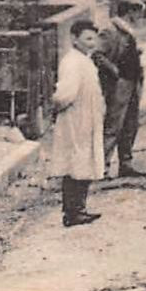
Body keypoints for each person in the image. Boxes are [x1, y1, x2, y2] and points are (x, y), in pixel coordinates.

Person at [50, 19, 105, 228]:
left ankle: (79, 208)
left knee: (84, 161)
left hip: (85, 117)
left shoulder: (84, 60)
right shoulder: (72, 62)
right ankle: (72, 212)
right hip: (76, 119)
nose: (92, 43)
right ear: (74, 39)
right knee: (76, 163)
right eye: (87, 38)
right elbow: (65, 94)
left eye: (94, 38)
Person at [94, 0, 146, 178]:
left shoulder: (128, 32)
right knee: (113, 125)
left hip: (133, 83)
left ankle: (126, 164)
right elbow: (98, 55)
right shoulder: (110, 30)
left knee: (131, 124)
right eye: (138, 11)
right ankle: (102, 167)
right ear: (129, 11)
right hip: (118, 85)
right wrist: (115, 71)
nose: (140, 16)